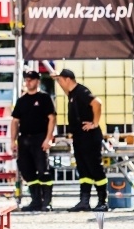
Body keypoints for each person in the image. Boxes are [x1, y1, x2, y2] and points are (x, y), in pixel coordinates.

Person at [53, 68, 108, 212]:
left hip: (89, 136)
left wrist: (95, 123)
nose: (59, 83)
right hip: (80, 137)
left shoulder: (81, 91)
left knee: (94, 167)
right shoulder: (72, 94)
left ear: (67, 79)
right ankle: (84, 201)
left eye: (60, 80)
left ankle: (103, 201)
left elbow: (97, 103)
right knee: (83, 170)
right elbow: (68, 92)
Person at [10, 70, 56, 212]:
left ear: (37, 81)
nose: (28, 81)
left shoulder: (44, 98)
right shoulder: (22, 100)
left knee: (43, 171)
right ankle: (36, 200)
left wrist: (48, 138)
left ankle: (46, 201)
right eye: (27, 79)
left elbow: (52, 118)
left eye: (31, 79)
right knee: (27, 171)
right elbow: (15, 121)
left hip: (40, 138)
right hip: (24, 139)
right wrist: (13, 140)